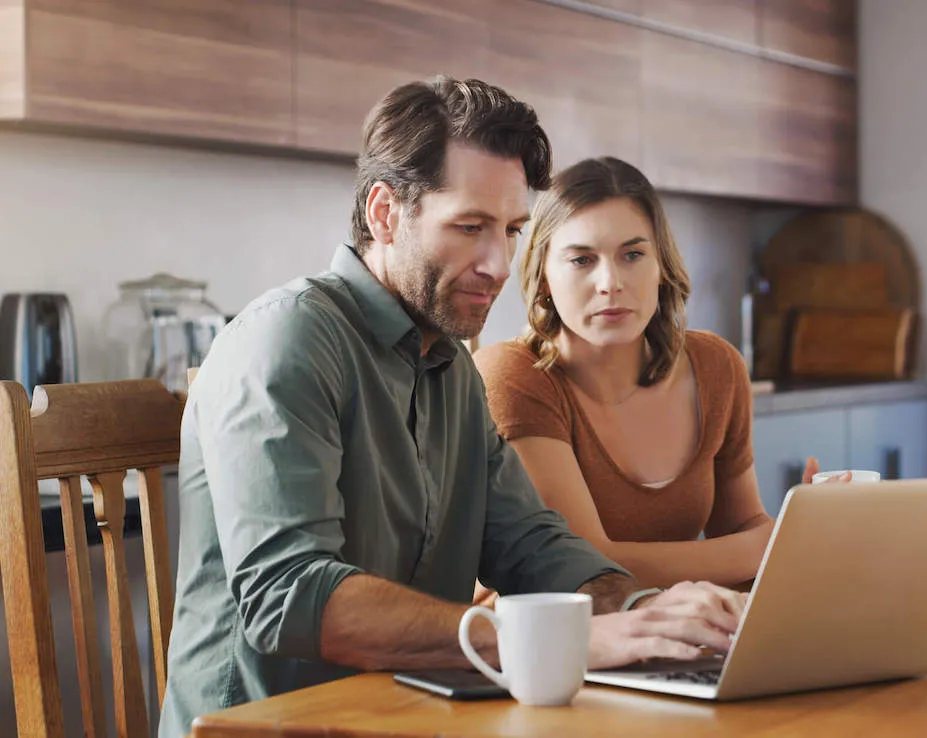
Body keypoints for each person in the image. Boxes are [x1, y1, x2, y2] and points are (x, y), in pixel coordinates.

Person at [159, 78, 743, 737]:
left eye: (512, 230)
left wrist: (649, 612)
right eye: (470, 227)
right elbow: (291, 597)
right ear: (385, 212)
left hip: (406, 718)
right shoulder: (287, 339)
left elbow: (530, 547)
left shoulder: (450, 366)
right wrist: (552, 641)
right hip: (266, 728)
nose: (498, 264)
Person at [474, 157, 844, 592]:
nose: (610, 282)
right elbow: (585, 564)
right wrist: (769, 544)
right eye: (581, 260)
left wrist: (807, 525)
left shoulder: (716, 366)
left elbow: (741, 526)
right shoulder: (514, 376)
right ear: (543, 280)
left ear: (661, 266)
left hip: (676, 637)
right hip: (546, 647)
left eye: (632, 254)